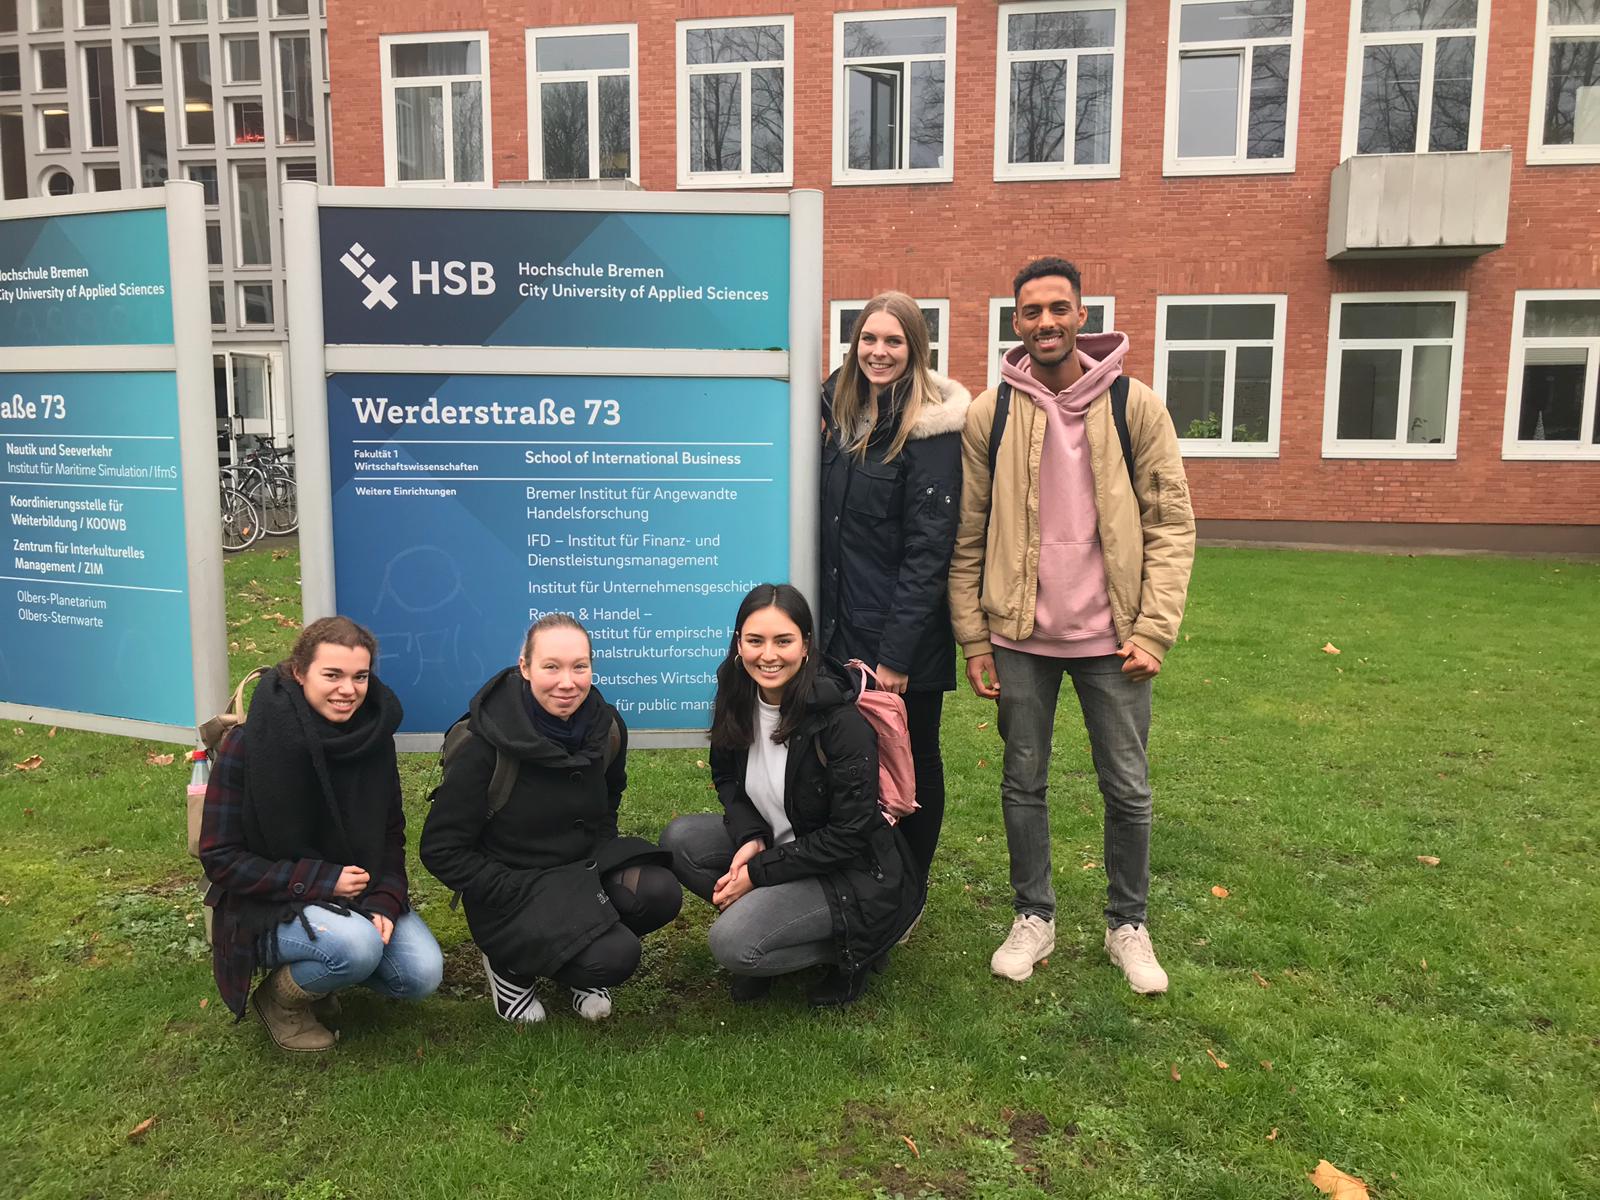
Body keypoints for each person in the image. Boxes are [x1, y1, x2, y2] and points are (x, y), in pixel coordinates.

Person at [948, 257, 1195, 995]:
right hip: (1019, 636)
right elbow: (969, 532)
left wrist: (1154, 629)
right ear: (1016, 322)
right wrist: (973, 637)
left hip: (1114, 640)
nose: (1046, 322)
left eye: (1059, 308)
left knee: (1128, 787)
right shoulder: (991, 412)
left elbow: (1171, 524)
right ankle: (1034, 916)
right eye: (1031, 311)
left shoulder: (1135, 406)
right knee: (1022, 782)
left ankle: (1128, 925)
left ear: (1082, 315)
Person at [660, 584, 922, 1007]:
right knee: (680, 841)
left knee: (733, 945)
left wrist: (758, 871)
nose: (768, 655)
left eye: (783, 641)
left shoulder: (840, 722)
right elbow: (726, 776)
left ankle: (854, 951)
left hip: (846, 871)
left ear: (805, 646)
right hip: (781, 844)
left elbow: (850, 835)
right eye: (755, 641)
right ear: (738, 643)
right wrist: (751, 837)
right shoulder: (736, 691)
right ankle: (771, 928)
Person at [420, 614, 681, 1023]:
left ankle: (575, 958)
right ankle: (509, 968)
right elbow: (440, 849)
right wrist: (504, 888)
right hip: (512, 891)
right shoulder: (483, 742)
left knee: (659, 891)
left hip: (580, 874)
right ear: (525, 667)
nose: (567, 682)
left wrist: (603, 849)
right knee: (615, 955)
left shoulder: (607, 726)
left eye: (579, 667)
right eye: (551, 667)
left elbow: (609, 798)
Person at [199, 616, 442, 1052]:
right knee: (356, 946)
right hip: (264, 904)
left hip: (355, 891)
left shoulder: (373, 737)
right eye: (332, 675)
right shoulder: (250, 743)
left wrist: (386, 898)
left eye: (359, 676)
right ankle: (280, 1001)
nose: (348, 689)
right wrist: (321, 880)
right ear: (299, 672)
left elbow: (390, 834)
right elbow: (220, 857)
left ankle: (324, 972)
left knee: (420, 973)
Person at [819, 291, 969, 887]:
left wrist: (896, 656)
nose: (878, 352)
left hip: (900, 639)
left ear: (916, 349)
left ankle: (909, 886)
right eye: (869, 338)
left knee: (913, 759)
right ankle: (862, 874)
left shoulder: (930, 432)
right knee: (851, 757)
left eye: (893, 341)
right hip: (840, 627)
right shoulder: (841, 414)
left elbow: (929, 551)